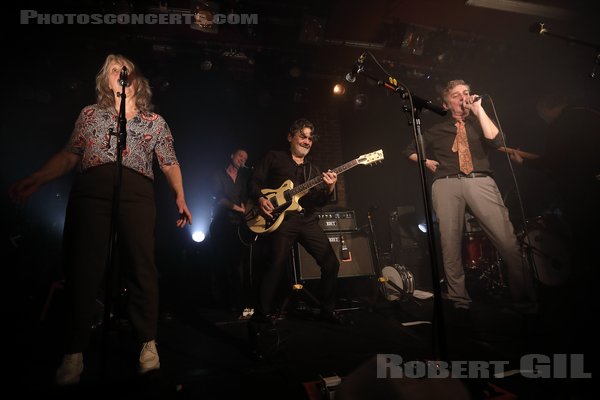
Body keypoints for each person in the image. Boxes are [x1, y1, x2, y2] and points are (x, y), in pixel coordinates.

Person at [8, 54, 193, 385]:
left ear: (135, 79)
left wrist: (179, 195)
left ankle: (147, 343)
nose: (119, 73)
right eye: (112, 69)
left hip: (137, 192)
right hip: (91, 190)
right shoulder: (90, 115)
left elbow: (169, 162)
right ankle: (74, 352)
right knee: (83, 267)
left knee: (141, 265)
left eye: (124, 69)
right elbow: (69, 155)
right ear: (106, 80)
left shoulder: (154, 122)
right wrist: (38, 177)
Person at [403, 79, 536, 315]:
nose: (463, 97)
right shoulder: (436, 130)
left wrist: (479, 109)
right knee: (450, 245)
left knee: (507, 241)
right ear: (446, 103)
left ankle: (524, 298)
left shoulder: (478, 122)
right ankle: (459, 300)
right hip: (446, 184)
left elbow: (497, 141)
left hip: (480, 181)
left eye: (466, 92)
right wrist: (425, 161)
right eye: (456, 95)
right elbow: (409, 151)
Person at [248, 118, 341, 324]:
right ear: (290, 137)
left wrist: (330, 187)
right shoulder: (274, 157)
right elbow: (254, 182)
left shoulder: (313, 170)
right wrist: (261, 199)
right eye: (303, 136)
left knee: (331, 263)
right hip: (282, 220)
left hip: (306, 220)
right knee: (275, 266)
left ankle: (327, 311)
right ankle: (261, 317)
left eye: (310, 138)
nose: (307, 141)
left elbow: (319, 201)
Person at [509, 91, 600, 282]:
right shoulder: (591, 114)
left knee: (586, 236)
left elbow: (553, 162)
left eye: (541, 114)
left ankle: (588, 282)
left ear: (546, 109)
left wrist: (523, 162)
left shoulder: (559, 125)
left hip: (579, 190)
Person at [208, 148, 253, 317]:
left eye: (245, 158)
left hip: (238, 226)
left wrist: (245, 211)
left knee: (237, 265)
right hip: (221, 225)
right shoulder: (218, 174)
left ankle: (238, 303)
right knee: (221, 263)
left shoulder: (243, 178)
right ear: (232, 156)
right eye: (240, 156)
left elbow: (246, 198)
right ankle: (221, 303)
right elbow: (218, 198)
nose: (243, 159)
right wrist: (238, 209)